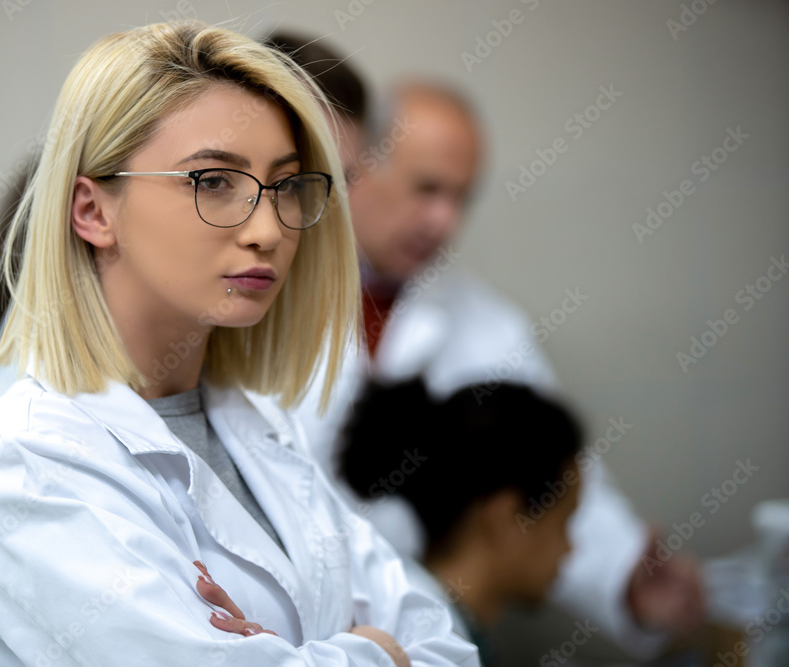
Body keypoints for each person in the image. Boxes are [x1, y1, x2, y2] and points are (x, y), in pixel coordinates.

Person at [0, 21, 478, 667]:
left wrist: (303, 653)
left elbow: (441, 636)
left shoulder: (257, 424)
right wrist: (378, 651)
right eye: (214, 181)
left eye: (286, 186)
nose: (267, 229)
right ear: (93, 210)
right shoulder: (34, 458)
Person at [287, 76, 706, 656]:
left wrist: (625, 578)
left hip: (417, 633)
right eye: (427, 189)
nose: (445, 222)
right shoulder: (263, 292)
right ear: (358, 168)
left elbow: (551, 481)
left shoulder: (487, 326)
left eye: (462, 197)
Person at [339, 379, 585, 666]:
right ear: (505, 519)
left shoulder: (446, 630)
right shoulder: (420, 643)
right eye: (563, 522)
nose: (570, 548)